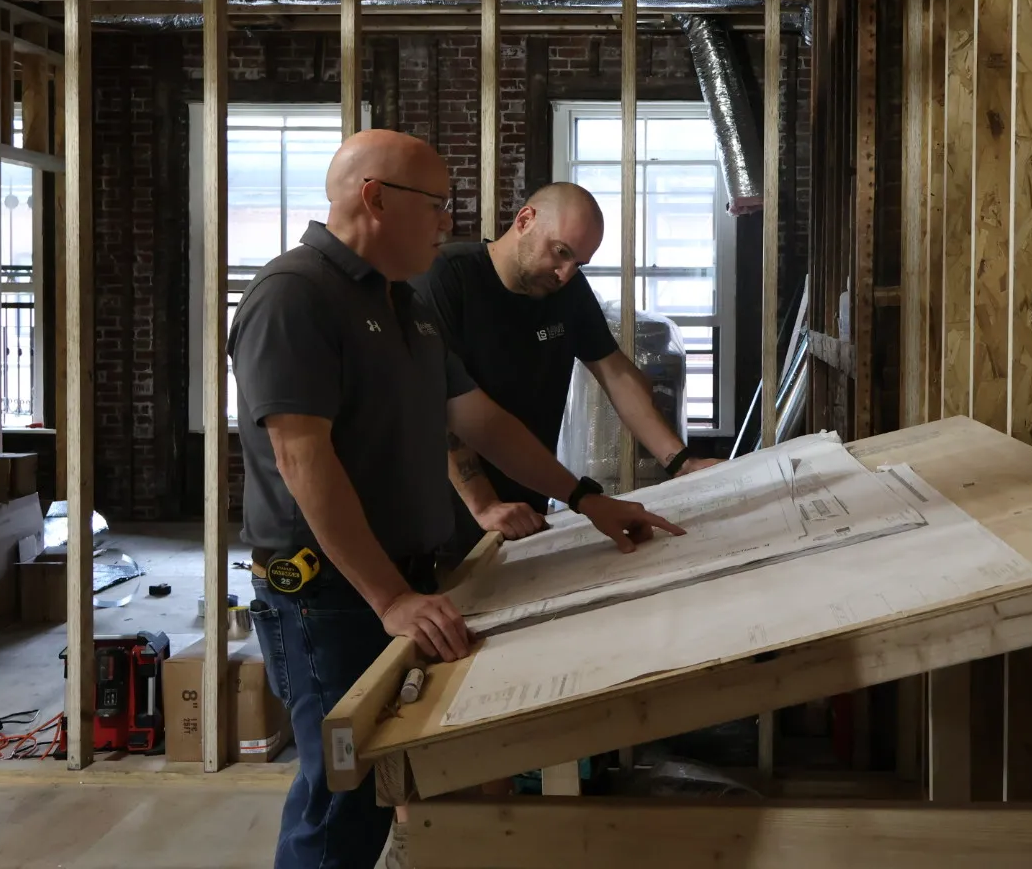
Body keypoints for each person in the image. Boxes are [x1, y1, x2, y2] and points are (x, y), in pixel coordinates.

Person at [228, 131, 684, 869]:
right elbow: (300, 458)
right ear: (374, 197)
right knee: (342, 795)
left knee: (398, 782)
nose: (448, 223)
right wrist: (390, 599)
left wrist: (586, 497)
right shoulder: (296, 295)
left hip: (404, 578)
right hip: (328, 594)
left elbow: (480, 421)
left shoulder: (401, 303)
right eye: (436, 205)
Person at [412, 181, 721, 552]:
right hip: (450, 508)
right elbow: (435, 406)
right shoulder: (446, 278)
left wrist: (681, 462)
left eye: (578, 263)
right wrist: (484, 503)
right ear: (525, 220)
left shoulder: (567, 290)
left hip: (527, 501)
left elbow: (616, 374)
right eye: (560, 252)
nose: (565, 273)